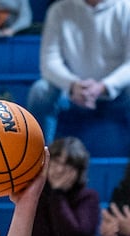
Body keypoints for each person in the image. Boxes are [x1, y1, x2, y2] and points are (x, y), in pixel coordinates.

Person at [27, 0, 130, 143]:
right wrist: (73, 85)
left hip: (117, 95)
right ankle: (40, 160)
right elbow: (49, 62)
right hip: (72, 95)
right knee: (40, 91)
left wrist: (103, 87)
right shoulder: (59, 10)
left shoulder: (126, 8)